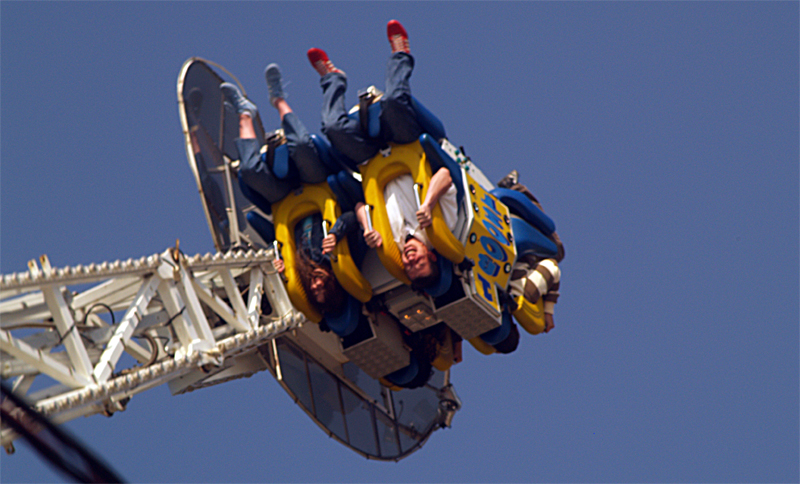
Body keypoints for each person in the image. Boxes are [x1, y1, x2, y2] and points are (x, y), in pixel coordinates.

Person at [498, 169, 564, 334]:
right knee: (550, 250)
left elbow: (553, 269)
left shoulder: (528, 292)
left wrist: (548, 312)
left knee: (556, 251)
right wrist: (548, 310)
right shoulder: (508, 298)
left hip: (514, 236)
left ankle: (515, 187)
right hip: (508, 247)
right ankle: (515, 191)